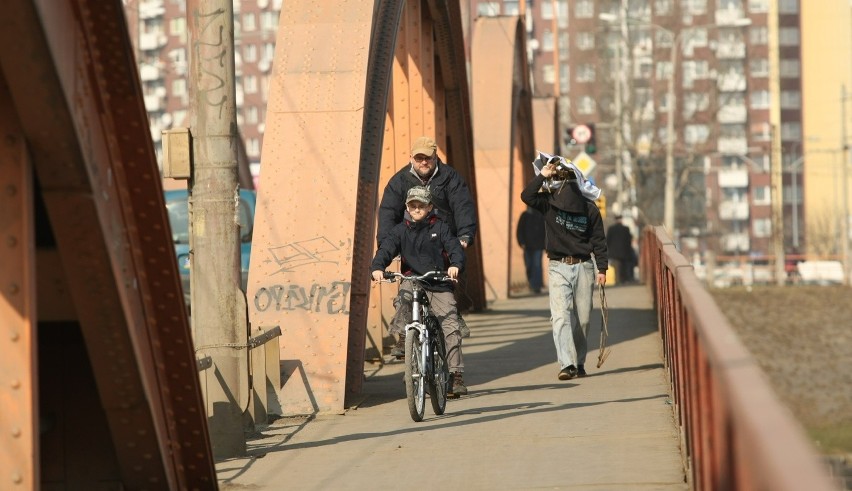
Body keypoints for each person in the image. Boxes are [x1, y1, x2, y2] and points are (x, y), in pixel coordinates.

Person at [371, 186, 468, 396]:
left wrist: (455, 265)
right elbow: (386, 249)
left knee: (450, 326)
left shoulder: (440, 228)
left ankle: (455, 375)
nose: (416, 209)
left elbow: (455, 249)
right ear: (407, 206)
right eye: (412, 205)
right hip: (413, 279)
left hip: (438, 281)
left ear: (429, 207)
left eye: (421, 205)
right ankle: (406, 340)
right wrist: (378, 267)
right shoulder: (400, 231)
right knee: (402, 299)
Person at [377, 136, 477, 339]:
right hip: (412, 241)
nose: (424, 162)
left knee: (449, 285)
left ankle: (451, 318)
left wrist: (464, 235)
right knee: (407, 291)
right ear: (411, 158)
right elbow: (388, 212)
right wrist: (385, 245)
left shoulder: (450, 177)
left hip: (442, 239)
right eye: (419, 158)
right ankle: (407, 337)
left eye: (428, 158)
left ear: (435, 157)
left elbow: (462, 206)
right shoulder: (400, 180)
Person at [520, 153, 608, 381]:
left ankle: (578, 362)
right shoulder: (549, 203)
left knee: (584, 318)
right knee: (560, 316)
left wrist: (602, 269)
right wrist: (543, 175)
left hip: (584, 266)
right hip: (558, 265)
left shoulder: (590, 209)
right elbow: (527, 196)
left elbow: (599, 240)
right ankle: (567, 364)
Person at [516, 207, 546, 293]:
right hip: (527, 246)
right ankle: (531, 283)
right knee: (529, 265)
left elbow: (545, 230)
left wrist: (545, 244)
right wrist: (521, 242)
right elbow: (519, 230)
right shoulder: (525, 215)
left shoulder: (541, 216)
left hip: (538, 246)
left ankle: (536, 286)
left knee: (537, 266)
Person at [606, 215, 635, 284]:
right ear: (621, 220)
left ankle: (618, 282)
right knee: (624, 268)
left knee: (617, 269)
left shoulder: (611, 229)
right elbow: (629, 240)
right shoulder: (626, 229)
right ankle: (623, 280)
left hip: (614, 254)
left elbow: (607, 240)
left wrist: (609, 250)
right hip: (624, 253)